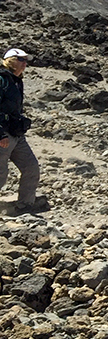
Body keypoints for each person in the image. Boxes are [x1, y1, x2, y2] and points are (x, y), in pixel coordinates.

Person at [0, 49, 40, 215]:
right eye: (21, 59)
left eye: (26, 60)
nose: (25, 63)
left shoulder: (17, 81)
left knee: (31, 167)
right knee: (0, 176)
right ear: (10, 60)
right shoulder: (2, 80)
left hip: (16, 134)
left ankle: (25, 206)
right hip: (3, 135)